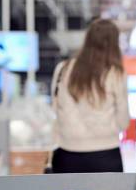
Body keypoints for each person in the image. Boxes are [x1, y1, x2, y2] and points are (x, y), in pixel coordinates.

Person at [51, 19, 130, 173]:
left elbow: (55, 106)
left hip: (68, 152)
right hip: (106, 153)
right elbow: (123, 121)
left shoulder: (63, 69)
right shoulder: (116, 74)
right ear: (114, 43)